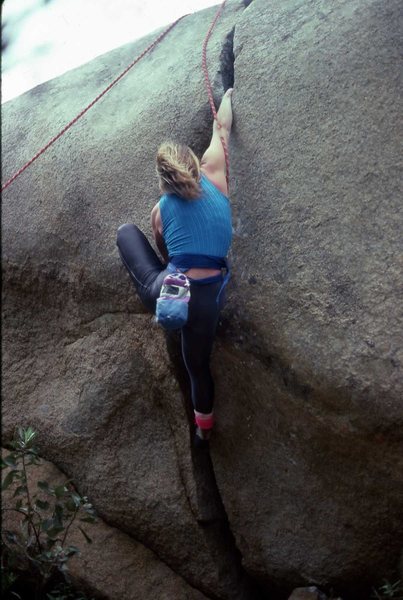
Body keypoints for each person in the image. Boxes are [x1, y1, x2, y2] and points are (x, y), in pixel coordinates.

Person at [116, 88, 233, 445]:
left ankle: (163, 305)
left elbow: (163, 246)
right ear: (195, 164)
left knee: (125, 234)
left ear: (164, 178)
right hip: (212, 296)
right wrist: (227, 93)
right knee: (197, 366)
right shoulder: (215, 173)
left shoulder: (161, 209)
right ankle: (204, 431)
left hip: (174, 288)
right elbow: (222, 126)